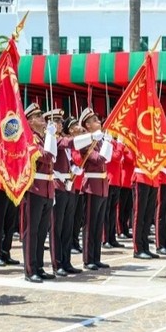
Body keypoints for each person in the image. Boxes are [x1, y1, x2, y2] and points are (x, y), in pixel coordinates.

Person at [20, 104, 57, 282]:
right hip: (34, 189)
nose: (42, 118)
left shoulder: (42, 138)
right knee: (31, 231)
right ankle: (30, 269)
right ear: (29, 121)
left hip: (47, 189)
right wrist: (50, 136)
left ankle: (39, 267)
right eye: (38, 116)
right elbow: (46, 157)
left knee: (42, 231)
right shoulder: (29, 139)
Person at [72, 108, 111, 270]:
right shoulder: (86, 142)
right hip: (91, 186)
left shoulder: (100, 141)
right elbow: (98, 159)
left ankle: (96, 257)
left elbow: (107, 159)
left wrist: (106, 142)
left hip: (102, 186)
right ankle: (88, 259)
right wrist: (107, 143)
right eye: (95, 120)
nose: (99, 121)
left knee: (98, 224)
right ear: (87, 125)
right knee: (89, 224)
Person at [52, 116, 83, 276]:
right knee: (57, 227)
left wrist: (74, 169)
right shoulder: (54, 140)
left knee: (67, 226)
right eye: (55, 121)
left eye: (59, 121)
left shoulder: (63, 141)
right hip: (57, 184)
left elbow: (70, 159)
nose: (58, 124)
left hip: (68, 185)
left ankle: (66, 261)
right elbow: (68, 143)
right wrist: (89, 136)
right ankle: (57, 263)